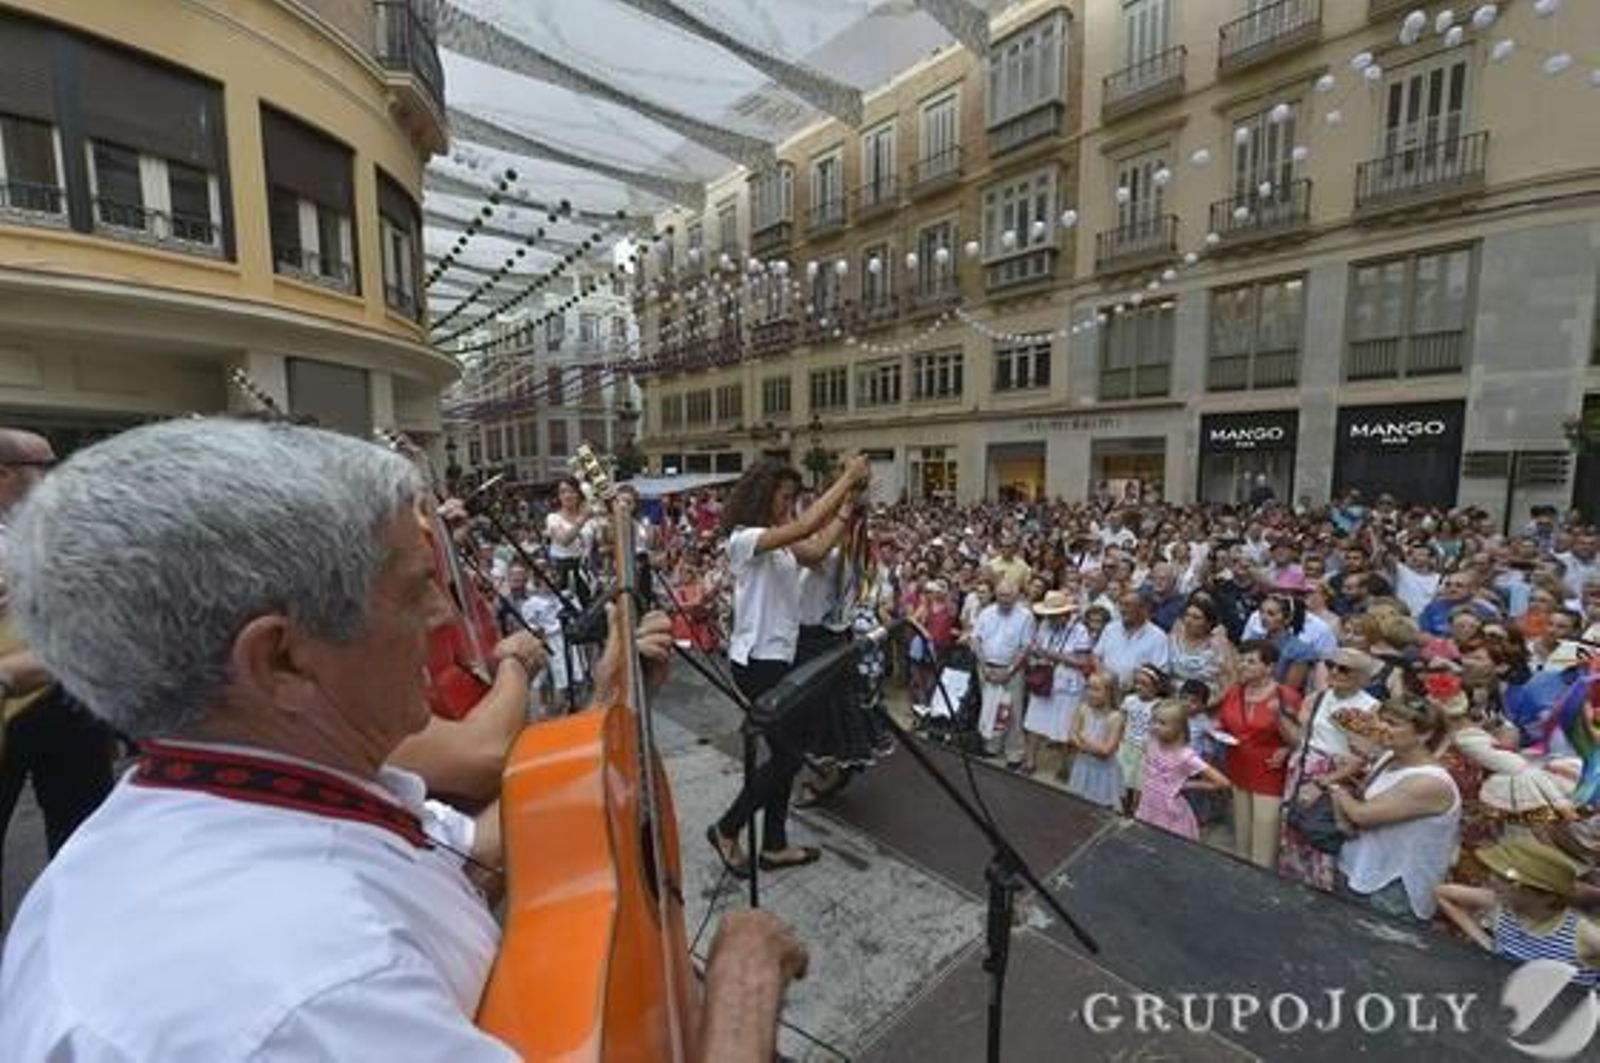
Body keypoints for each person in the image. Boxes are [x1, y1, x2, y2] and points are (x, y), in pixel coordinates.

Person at [0, 418, 806, 1060]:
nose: (450, 618)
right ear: (281, 659)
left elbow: (487, 843)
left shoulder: (253, 785)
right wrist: (740, 980)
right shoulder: (307, 994)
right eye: (417, 588)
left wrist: (605, 709)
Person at [707, 455, 869, 878]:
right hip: (759, 662)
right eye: (785, 496)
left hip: (778, 658)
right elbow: (804, 528)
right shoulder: (745, 538)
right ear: (763, 495)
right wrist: (846, 477)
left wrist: (848, 506)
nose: (790, 504)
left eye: (794, 497)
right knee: (785, 758)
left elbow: (815, 549)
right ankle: (727, 828)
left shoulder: (778, 541)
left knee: (787, 755)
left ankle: (774, 844)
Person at [0, 428, 116, 916]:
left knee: (81, 825)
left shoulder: (57, 528)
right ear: (5, 474)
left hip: (68, 696)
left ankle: (80, 924)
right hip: (9, 702)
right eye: (43, 466)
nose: (55, 474)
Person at [1330, 696, 1462, 922]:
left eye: (1393, 723)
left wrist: (1336, 789)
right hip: (1358, 868)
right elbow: (1361, 801)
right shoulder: (1389, 757)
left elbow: (1362, 815)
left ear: (1424, 734)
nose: (1381, 727)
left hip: (1393, 889)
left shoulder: (1430, 782)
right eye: (1382, 719)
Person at [1278, 648, 1381, 891]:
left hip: (1334, 778)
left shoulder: (1371, 707)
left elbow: (1362, 758)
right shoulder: (1318, 697)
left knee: (1320, 833)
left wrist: (1322, 783)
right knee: (1294, 829)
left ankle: (1319, 891)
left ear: (1362, 676)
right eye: (1331, 664)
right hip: (1302, 769)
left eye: (1344, 668)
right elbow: (1305, 737)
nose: (1334, 671)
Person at [1436, 839, 1600, 984]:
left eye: (1508, 881)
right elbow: (1443, 893)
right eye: (1495, 873)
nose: (1492, 880)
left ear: (1547, 897)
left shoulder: (1582, 935)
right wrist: (1485, 942)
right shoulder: (1500, 904)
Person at [1217, 640, 1301, 870]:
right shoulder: (1235, 691)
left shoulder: (1286, 696)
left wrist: (1286, 749)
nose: (1243, 665)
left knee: (1265, 834)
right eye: (1242, 660)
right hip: (1238, 768)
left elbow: (1300, 737)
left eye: (1251, 661)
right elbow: (1224, 722)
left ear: (1269, 667)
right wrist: (1216, 731)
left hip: (1268, 772)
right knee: (1242, 832)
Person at [1137, 700, 1232, 840]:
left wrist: (1186, 785)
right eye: (1154, 721)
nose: (1155, 726)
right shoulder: (1150, 742)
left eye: (1162, 723)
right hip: (1149, 806)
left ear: (1178, 727)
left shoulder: (1185, 756)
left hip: (1171, 814)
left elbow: (1223, 782)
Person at [1018, 591, 1083, 776]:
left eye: (1055, 616)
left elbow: (1083, 661)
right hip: (1044, 680)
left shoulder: (1079, 630)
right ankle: (1030, 761)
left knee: (1065, 726)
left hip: (1067, 685)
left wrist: (1053, 655)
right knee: (1033, 722)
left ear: (1066, 614)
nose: (1050, 619)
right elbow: (1036, 648)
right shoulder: (1044, 625)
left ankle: (1064, 767)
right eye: (1049, 615)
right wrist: (1035, 655)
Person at [971, 579, 1035, 766]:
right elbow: (975, 640)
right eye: (1000, 595)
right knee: (990, 708)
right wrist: (984, 667)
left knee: (1013, 712)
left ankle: (1014, 752)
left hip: (1012, 671)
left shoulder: (1025, 616)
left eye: (1008, 595)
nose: (1004, 599)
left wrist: (1008, 671)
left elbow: (1025, 647)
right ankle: (991, 747)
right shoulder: (986, 612)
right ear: (995, 595)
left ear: (1016, 596)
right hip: (986, 667)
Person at [1065, 672, 1124, 808]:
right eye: (1088, 688)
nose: (1090, 693)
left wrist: (1084, 739)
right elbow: (1072, 736)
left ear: (1109, 693)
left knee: (1101, 807)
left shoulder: (1115, 717)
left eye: (1096, 689)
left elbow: (1106, 751)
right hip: (1082, 766)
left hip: (1103, 773)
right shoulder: (1083, 709)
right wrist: (1088, 747)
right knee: (1077, 803)